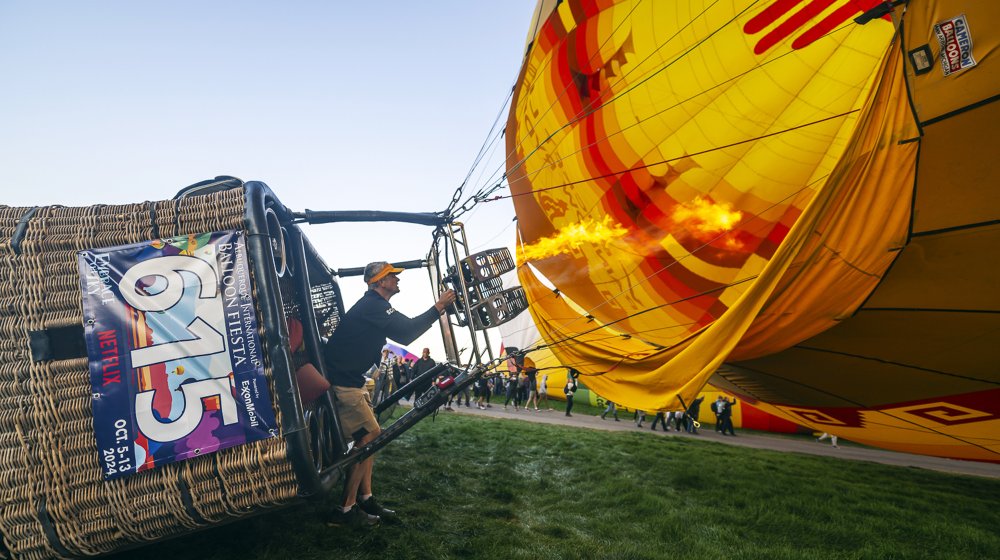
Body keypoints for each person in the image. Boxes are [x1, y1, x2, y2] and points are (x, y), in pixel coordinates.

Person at [323, 261, 456, 527]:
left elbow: (404, 330)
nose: (397, 280)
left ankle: (366, 497)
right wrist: (439, 306)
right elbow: (407, 332)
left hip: (352, 380)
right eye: (391, 276)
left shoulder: (376, 306)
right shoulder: (373, 305)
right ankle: (345, 511)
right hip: (344, 383)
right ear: (378, 282)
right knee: (371, 436)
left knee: (372, 439)